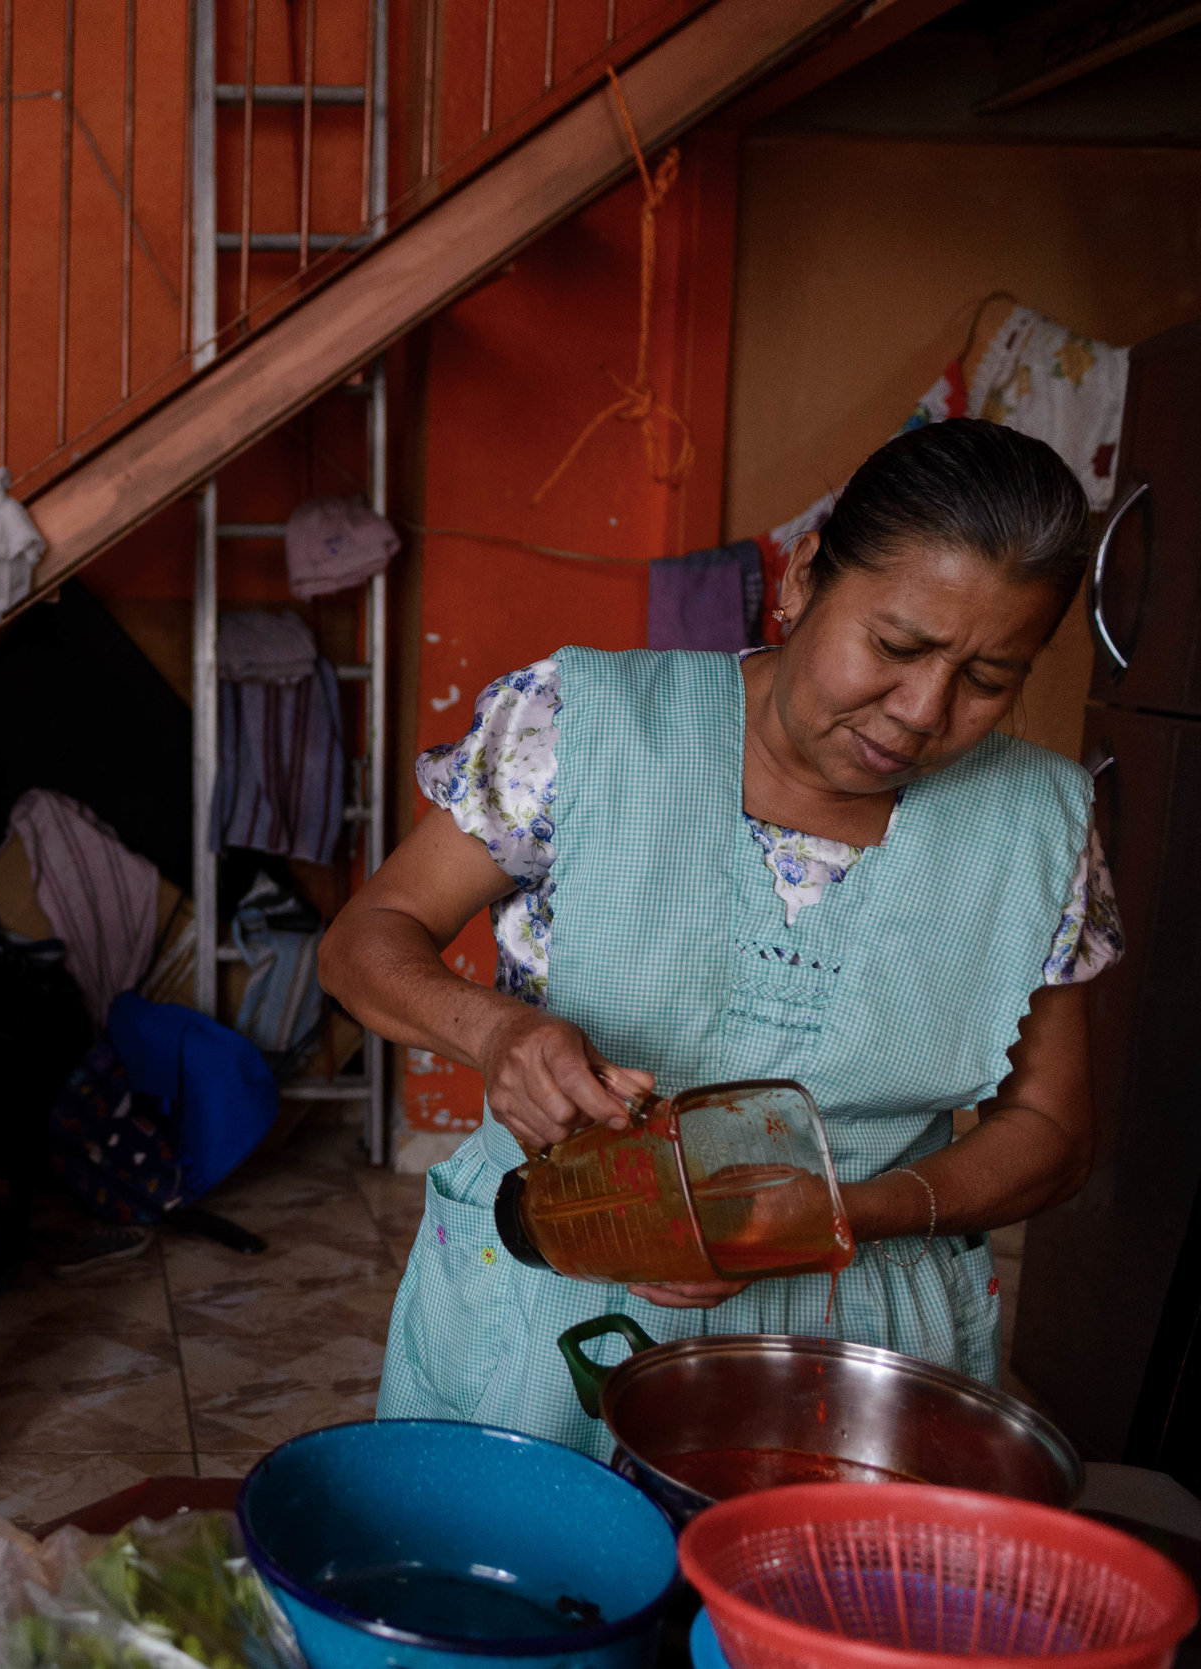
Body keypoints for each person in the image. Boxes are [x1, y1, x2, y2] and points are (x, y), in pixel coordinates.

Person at [320, 420, 1123, 1454]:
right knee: (525, 1588)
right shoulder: (584, 723)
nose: (924, 709)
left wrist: (828, 1216)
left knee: (807, 1608)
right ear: (798, 584)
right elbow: (365, 939)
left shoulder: (1038, 826)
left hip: (860, 1347)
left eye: (989, 676)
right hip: (556, 1296)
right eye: (896, 645)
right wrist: (496, 1034)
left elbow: (1052, 1136)